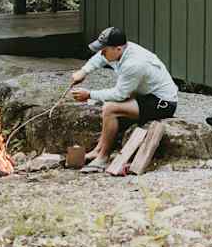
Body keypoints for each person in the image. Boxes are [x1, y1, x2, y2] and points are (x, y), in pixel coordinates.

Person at [70, 27, 178, 171]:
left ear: (118, 49)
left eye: (104, 50)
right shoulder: (119, 50)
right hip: (145, 94)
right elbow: (100, 58)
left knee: (110, 108)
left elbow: (120, 94)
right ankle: (98, 150)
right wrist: (83, 71)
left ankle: (103, 157)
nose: (101, 52)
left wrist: (89, 94)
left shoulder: (134, 63)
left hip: (162, 102)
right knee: (108, 103)